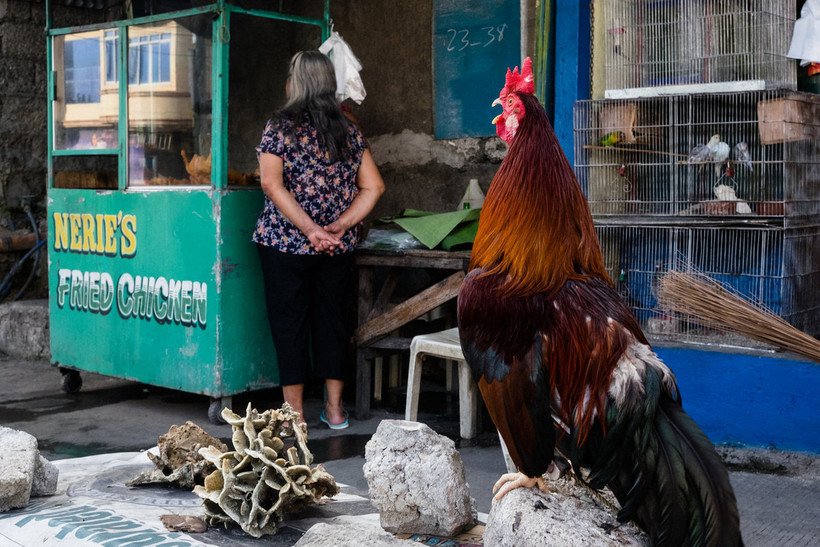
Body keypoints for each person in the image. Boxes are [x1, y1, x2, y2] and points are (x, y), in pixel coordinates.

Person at [254, 50, 385, 430]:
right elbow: (374, 187)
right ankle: (335, 410)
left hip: (284, 245)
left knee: (289, 324)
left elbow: (270, 184)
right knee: (332, 324)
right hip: (336, 248)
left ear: (297, 82)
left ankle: (294, 417)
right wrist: (339, 226)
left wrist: (309, 230)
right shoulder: (349, 129)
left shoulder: (279, 128)